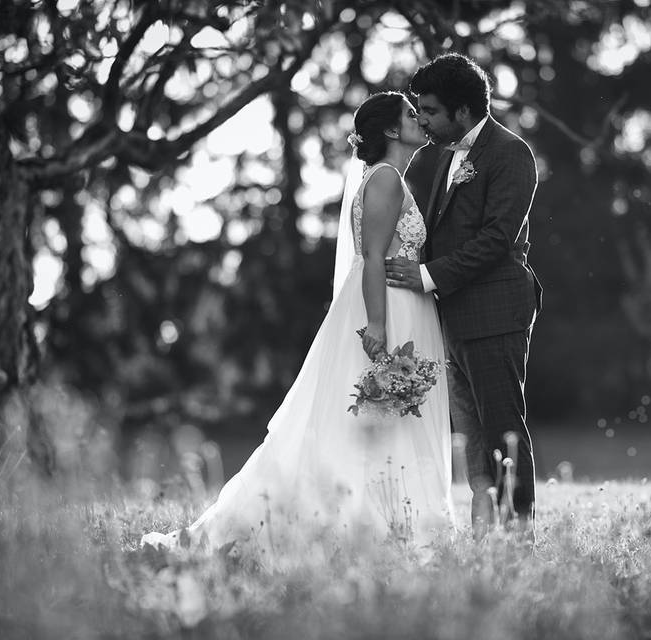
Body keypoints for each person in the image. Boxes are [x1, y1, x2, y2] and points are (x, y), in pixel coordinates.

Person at [142, 92, 455, 557]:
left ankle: (395, 528)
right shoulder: (387, 178)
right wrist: (377, 326)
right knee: (374, 418)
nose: (422, 120)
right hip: (386, 306)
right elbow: (372, 258)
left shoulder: (387, 177)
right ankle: (372, 531)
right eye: (412, 115)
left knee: (382, 420)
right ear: (391, 131)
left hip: (399, 302)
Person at [385, 54, 541, 542]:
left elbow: (497, 239)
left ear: (463, 110)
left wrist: (427, 275)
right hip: (452, 317)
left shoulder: (510, 154)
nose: (423, 120)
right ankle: (484, 536)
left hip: (495, 313)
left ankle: (518, 539)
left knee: (502, 431)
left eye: (430, 111)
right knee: (473, 440)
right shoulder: (447, 156)